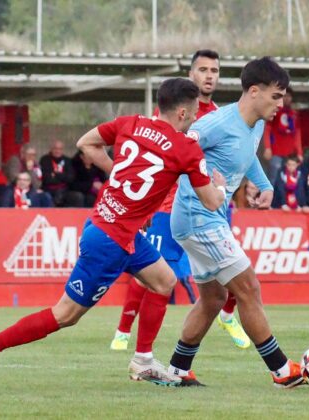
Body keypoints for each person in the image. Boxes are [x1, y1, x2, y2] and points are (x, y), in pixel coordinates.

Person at [0, 77, 227, 389]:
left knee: (164, 281)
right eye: (195, 112)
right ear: (182, 113)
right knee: (65, 314)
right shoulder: (186, 148)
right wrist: (221, 187)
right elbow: (211, 202)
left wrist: (121, 177)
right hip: (111, 240)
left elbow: (86, 143)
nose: (196, 117)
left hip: (109, 227)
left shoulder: (131, 123)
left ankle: (143, 361)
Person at [156, 57, 304, 389]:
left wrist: (264, 185)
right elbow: (177, 148)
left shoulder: (258, 123)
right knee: (249, 287)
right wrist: (203, 177)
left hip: (207, 217)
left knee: (214, 298)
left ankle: (177, 370)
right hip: (198, 216)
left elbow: (247, 156)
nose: (281, 104)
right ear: (254, 91)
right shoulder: (216, 124)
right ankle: (282, 371)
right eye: (276, 96)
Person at [110, 49, 251, 356]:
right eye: (203, 70)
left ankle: (227, 315)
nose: (209, 75)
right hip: (167, 206)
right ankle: (125, 330)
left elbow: (237, 153)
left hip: (210, 204)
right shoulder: (174, 111)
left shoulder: (222, 116)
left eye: (214, 70)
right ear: (191, 75)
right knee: (153, 272)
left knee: (237, 268)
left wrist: (250, 184)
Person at [262, 87, 302, 183]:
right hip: (276, 152)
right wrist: (267, 147)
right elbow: (267, 130)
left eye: (289, 96)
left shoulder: (294, 114)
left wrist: (299, 153)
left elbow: (297, 134)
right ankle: (271, 198)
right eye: (284, 96)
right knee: (273, 179)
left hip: (290, 154)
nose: (286, 98)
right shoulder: (274, 111)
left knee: (289, 180)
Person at [40, 140, 84, 207]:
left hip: (64, 190)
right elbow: (47, 179)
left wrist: (56, 174)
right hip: (49, 190)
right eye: (55, 148)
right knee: (47, 197)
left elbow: (71, 179)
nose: (57, 151)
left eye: (60, 149)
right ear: (51, 149)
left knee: (78, 196)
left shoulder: (67, 160)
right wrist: (63, 176)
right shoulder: (45, 160)